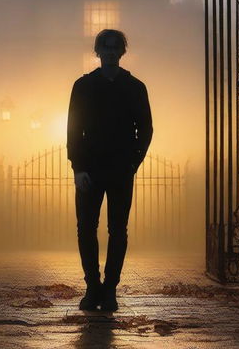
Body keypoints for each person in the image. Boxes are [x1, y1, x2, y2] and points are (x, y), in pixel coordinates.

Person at [67, 29, 153, 312]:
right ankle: (93, 287)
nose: (110, 52)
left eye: (115, 48)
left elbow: (146, 129)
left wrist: (132, 163)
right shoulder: (83, 86)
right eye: (106, 48)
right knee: (87, 230)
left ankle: (109, 290)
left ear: (121, 52)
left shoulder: (135, 87)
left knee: (117, 230)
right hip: (90, 170)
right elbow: (73, 130)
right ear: (98, 51)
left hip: (119, 170)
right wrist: (78, 168)